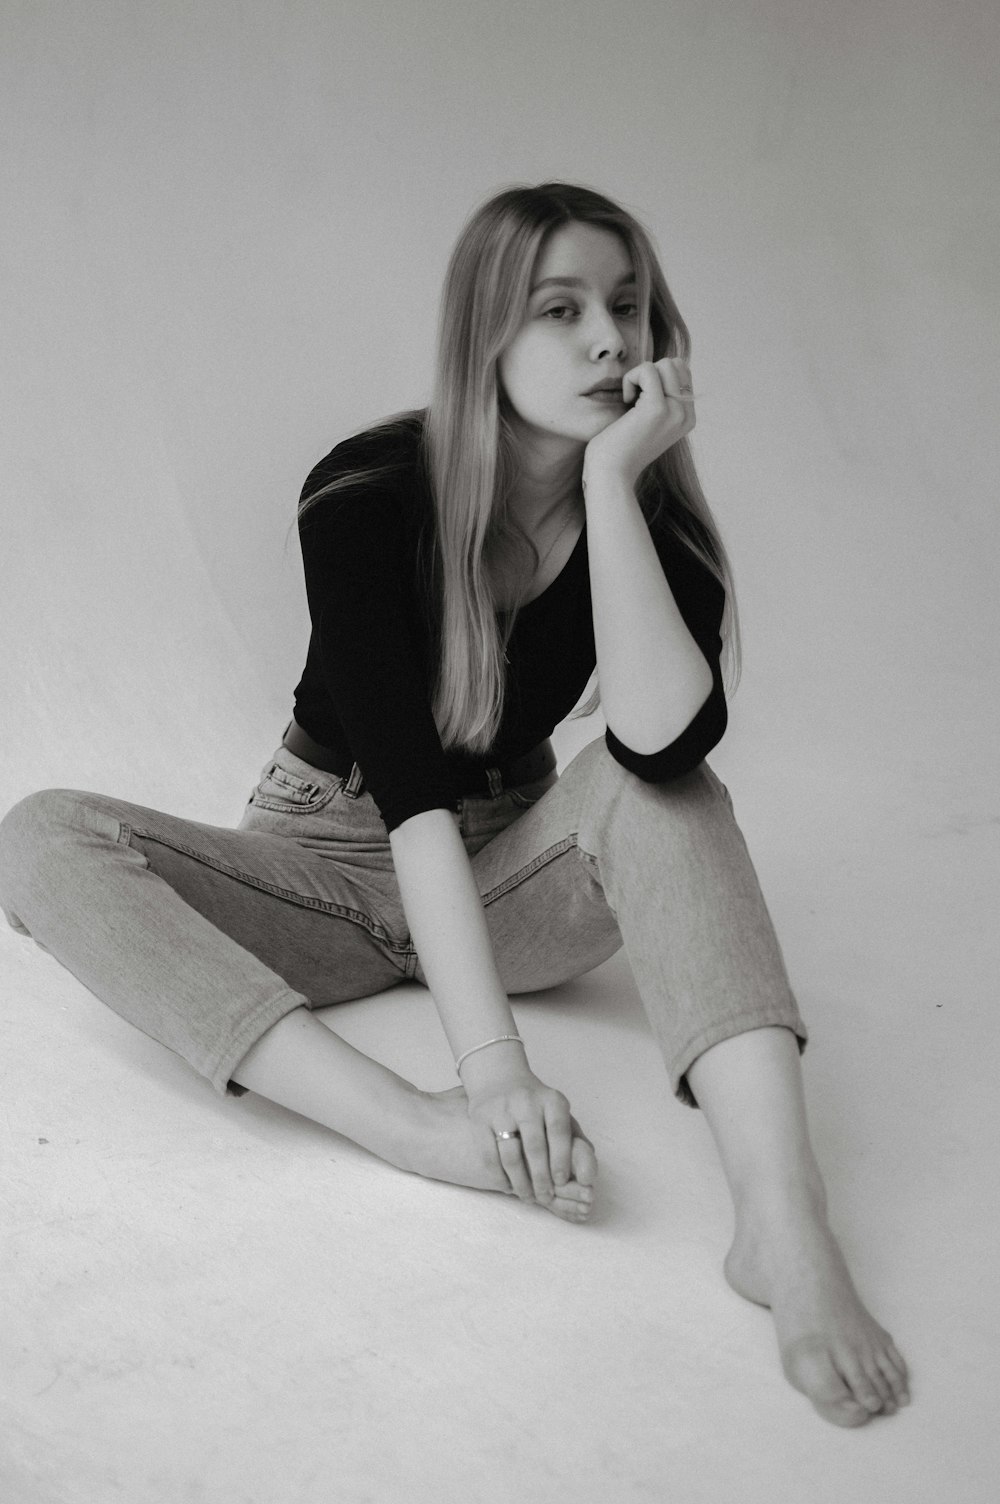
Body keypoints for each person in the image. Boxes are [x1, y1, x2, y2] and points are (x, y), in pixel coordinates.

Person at [0, 181, 909, 1427]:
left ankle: (785, 1231)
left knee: (673, 793)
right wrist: (489, 1084)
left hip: (509, 871)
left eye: (630, 309)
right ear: (486, 334)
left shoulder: (646, 522)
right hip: (326, 861)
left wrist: (607, 495)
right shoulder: (365, 493)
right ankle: (406, 1130)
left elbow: (659, 746)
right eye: (562, 309)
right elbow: (410, 788)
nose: (610, 339)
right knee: (42, 834)